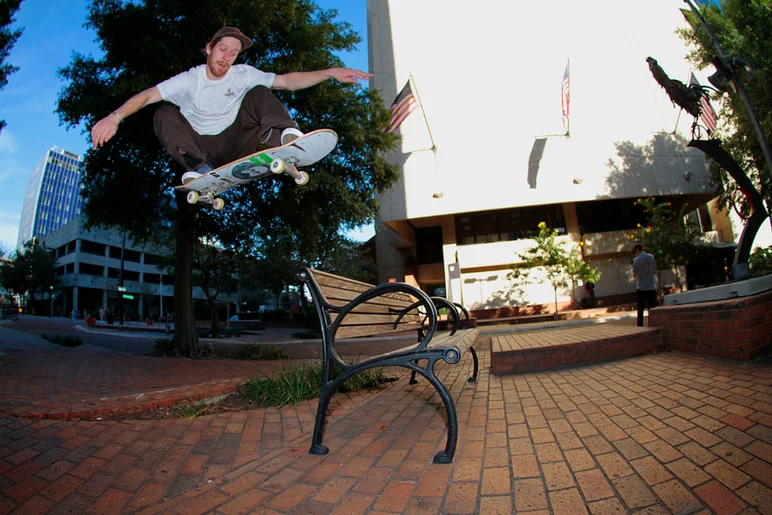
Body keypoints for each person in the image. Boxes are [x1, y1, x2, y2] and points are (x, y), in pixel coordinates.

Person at [90, 26, 371, 183]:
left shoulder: (242, 74)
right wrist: (115, 116)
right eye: (222, 49)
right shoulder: (189, 80)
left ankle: (286, 136)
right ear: (209, 49)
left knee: (258, 90)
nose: (227, 58)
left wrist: (328, 73)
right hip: (200, 147)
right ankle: (198, 168)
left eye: (233, 53)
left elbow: (286, 81)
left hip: (237, 142)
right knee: (162, 112)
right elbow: (148, 95)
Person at [632, 243, 657, 327]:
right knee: (652, 308)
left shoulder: (636, 260)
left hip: (641, 288)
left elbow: (635, 274)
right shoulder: (651, 257)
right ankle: (653, 324)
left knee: (640, 309)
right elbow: (654, 269)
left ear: (637, 250)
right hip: (651, 286)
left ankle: (640, 326)